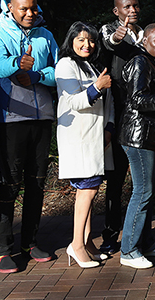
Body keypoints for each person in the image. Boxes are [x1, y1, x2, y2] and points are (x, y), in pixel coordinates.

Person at [0, 0, 58, 273]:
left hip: (42, 119)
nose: (30, 14)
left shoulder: (46, 35)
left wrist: (38, 74)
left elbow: (59, 71)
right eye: (24, 9)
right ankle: (3, 249)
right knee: (10, 184)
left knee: (37, 182)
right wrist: (18, 64)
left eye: (34, 8)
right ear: (9, 9)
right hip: (11, 119)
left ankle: (30, 242)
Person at [117, 24, 155, 269]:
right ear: (144, 40)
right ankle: (128, 251)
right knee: (141, 193)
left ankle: (145, 242)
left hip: (149, 135)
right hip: (138, 136)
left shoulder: (153, 63)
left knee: (148, 192)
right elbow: (135, 99)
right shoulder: (140, 62)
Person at [56, 22, 115, 269]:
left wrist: (110, 128)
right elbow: (75, 102)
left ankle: (87, 241)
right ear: (71, 40)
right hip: (79, 138)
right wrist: (97, 88)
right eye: (80, 39)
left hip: (97, 136)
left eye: (90, 40)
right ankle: (76, 245)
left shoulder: (91, 65)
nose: (86, 44)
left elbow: (108, 101)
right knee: (87, 190)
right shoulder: (65, 65)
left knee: (91, 189)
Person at [99, 0, 143, 253]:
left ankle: (141, 234)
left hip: (143, 118)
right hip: (118, 119)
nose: (132, 10)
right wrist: (119, 34)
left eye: (136, 5)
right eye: (127, 6)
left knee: (143, 182)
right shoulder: (110, 30)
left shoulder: (145, 32)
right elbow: (110, 42)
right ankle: (110, 234)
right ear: (117, 11)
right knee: (115, 183)